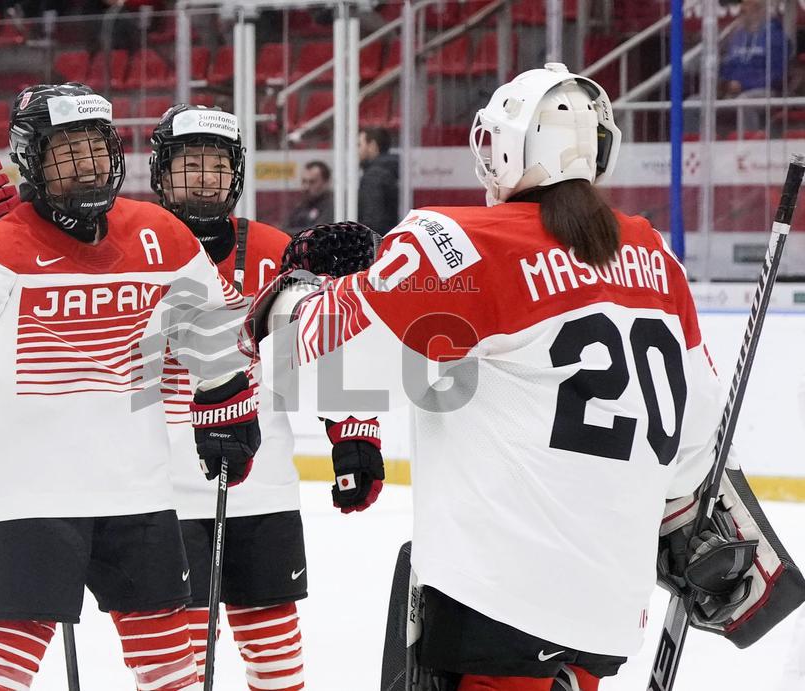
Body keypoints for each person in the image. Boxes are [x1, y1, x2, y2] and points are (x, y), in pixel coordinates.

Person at [246, 63, 769, 690]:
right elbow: (691, 453)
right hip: (606, 617)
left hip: (497, 613)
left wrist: (294, 296)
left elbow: (322, 371)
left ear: (504, 146)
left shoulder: (463, 243)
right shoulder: (653, 256)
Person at [0, 82, 259, 691]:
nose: (85, 165)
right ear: (31, 159)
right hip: (27, 490)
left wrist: (225, 399)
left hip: (134, 485)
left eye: (94, 147)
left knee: (170, 653)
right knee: (10, 650)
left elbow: (207, 322)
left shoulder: (159, 234)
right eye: (66, 151)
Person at [149, 104, 384, 690]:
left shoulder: (278, 249)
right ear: (161, 172)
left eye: (216, 164)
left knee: (273, 642)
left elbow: (325, 340)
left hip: (262, 482)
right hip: (156, 486)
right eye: (189, 163)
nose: (203, 176)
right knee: (173, 655)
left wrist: (352, 431)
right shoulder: (135, 246)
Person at [719, 0, 789, 132]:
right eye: (742, 7)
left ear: (761, 10)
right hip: (732, 89)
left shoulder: (775, 37)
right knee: (694, 102)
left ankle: (748, 143)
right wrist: (726, 83)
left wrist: (743, 84)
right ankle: (691, 144)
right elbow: (727, 65)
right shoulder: (737, 36)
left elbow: (775, 74)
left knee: (745, 101)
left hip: (764, 90)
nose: (743, 11)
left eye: (748, 7)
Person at [357, 126, 398, 236]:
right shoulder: (391, 169)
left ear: (372, 146)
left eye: (359, 145)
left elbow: (372, 221)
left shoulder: (374, 175)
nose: (357, 150)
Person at [285, 160, 334, 235]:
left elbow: (318, 233)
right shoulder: (301, 206)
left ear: (326, 182)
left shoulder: (332, 206)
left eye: (312, 182)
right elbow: (284, 228)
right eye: (304, 181)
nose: (306, 187)